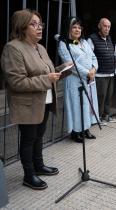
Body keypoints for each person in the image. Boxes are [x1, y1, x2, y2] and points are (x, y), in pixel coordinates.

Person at [1, 9, 68, 190]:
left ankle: (39, 166)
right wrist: (47, 79)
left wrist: (62, 70)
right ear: (22, 26)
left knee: (39, 136)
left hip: (44, 99)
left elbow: (47, 71)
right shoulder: (13, 48)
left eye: (40, 24)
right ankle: (28, 175)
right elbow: (17, 82)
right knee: (29, 139)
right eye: (34, 24)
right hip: (27, 104)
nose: (39, 28)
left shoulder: (40, 47)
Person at [58, 17, 100, 142]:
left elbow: (93, 57)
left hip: (88, 78)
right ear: (69, 29)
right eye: (74, 27)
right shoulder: (64, 44)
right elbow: (70, 64)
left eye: (79, 27)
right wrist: (88, 72)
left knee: (87, 104)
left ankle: (86, 129)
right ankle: (76, 132)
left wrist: (94, 69)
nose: (77, 30)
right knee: (76, 105)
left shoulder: (83, 42)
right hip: (74, 79)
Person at [87, 18, 116, 123]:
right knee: (101, 97)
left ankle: (106, 115)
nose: (107, 29)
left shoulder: (109, 38)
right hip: (100, 74)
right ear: (99, 26)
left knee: (109, 97)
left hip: (110, 73)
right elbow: (88, 57)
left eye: (109, 27)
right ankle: (98, 117)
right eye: (105, 26)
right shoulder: (92, 39)